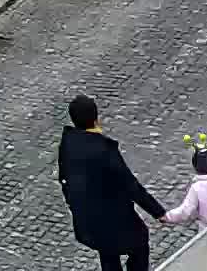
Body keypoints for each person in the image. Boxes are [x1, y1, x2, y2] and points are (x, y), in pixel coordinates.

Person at [57, 95, 164, 271]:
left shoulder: (68, 143)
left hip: (89, 218)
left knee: (107, 253)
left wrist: (74, 206)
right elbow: (130, 184)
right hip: (113, 216)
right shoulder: (102, 149)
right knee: (139, 242)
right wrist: (158, 212)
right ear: (96, 118)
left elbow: (65, 179)